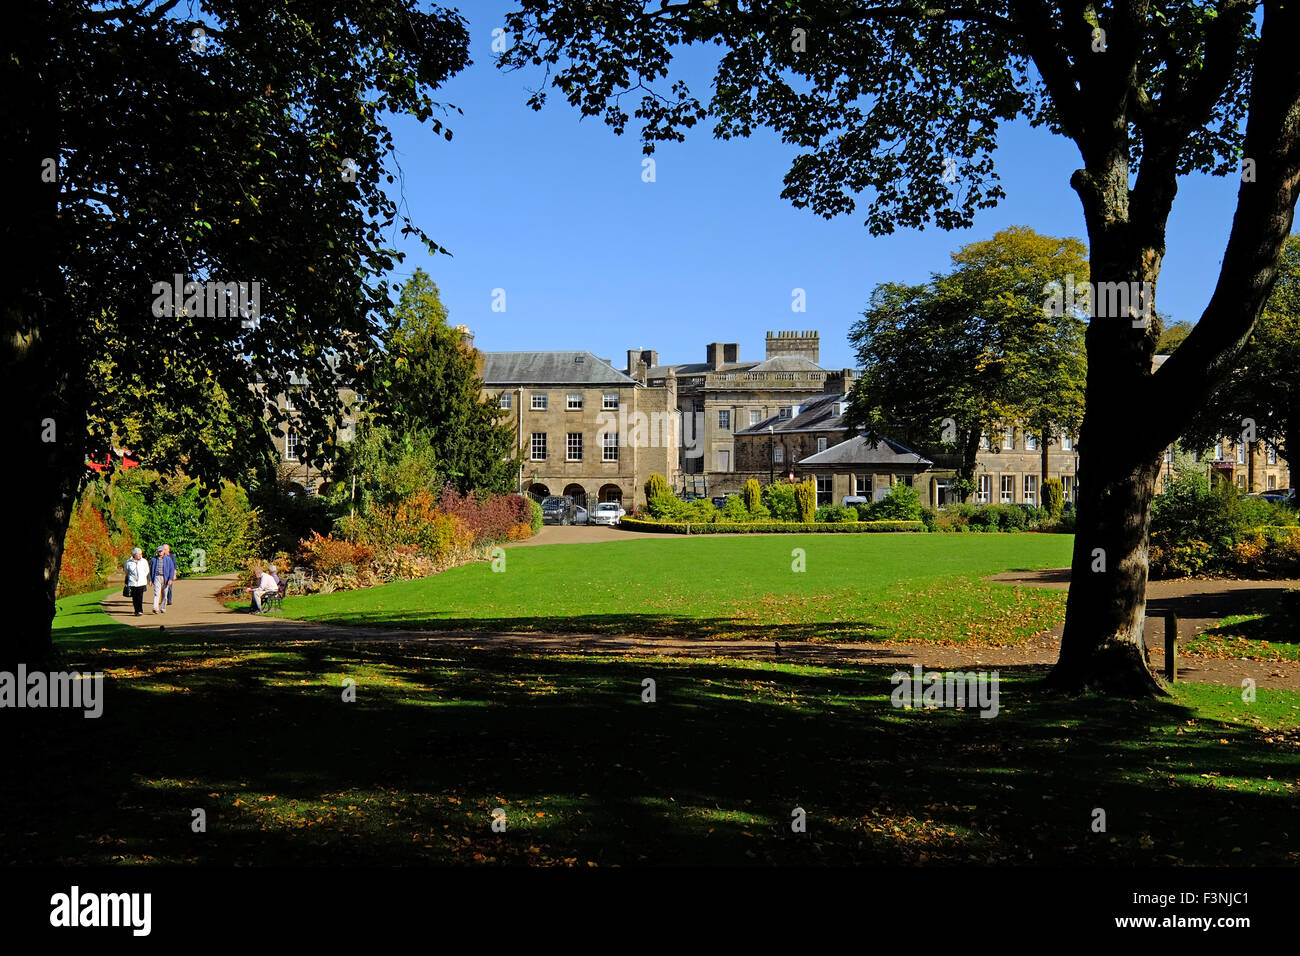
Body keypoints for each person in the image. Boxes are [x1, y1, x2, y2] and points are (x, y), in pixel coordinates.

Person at [124, 548, 150, 616]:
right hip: (132, 582)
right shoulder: (128, 562)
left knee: (140, 596)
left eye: (140, 554)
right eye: (138, 554)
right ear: (134, 554)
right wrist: (131, 577)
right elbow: (126, 570)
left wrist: (142, 576)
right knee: (134, 597)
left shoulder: (144, 561)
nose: (140, 555)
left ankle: (140, 610)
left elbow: (146, 570)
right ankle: (136, 610)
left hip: (141, 582)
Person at [149, 546, 170, 614]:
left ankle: (162, 607)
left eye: (161, 551)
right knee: (156, 593)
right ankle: (155, 608)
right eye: (159, 551)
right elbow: (150, 570)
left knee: (164, 594)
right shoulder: (153, 559)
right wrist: (150, 580)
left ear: (164, 551)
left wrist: (170, 579)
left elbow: (171, 569)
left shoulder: (168, 559)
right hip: (157, 577)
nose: (160, 553)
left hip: (165, 578)